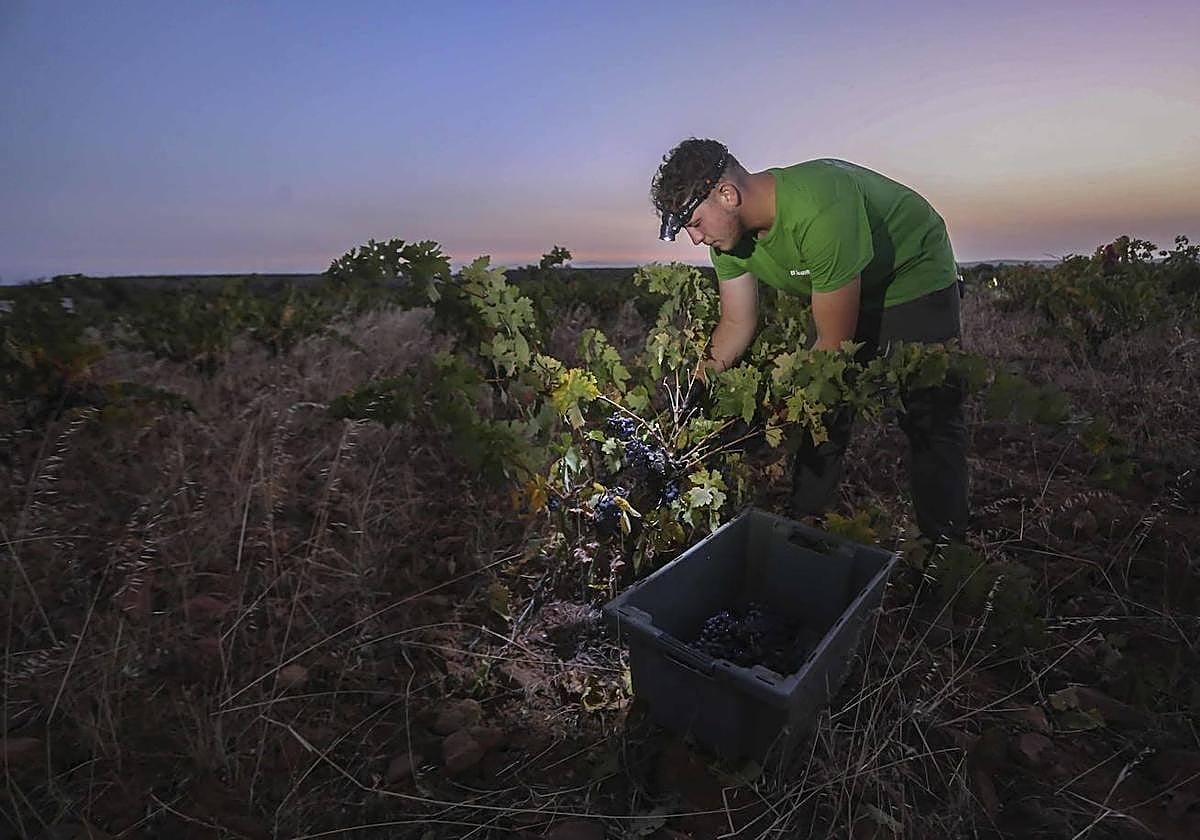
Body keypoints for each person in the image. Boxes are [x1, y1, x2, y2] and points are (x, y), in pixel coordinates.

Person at [649, 137, 968, 543]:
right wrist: (696, 384)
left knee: (929, 414)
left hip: (912, 272)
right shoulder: (728, 242)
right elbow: (736, 323)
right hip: (847, 281)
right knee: (826, 414)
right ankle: (804, 530)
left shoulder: (819, 207)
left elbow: (830, 352)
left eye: (694, 223)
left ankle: (945, 552)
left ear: (727, 195)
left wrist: (773, 415)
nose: (695, 239)